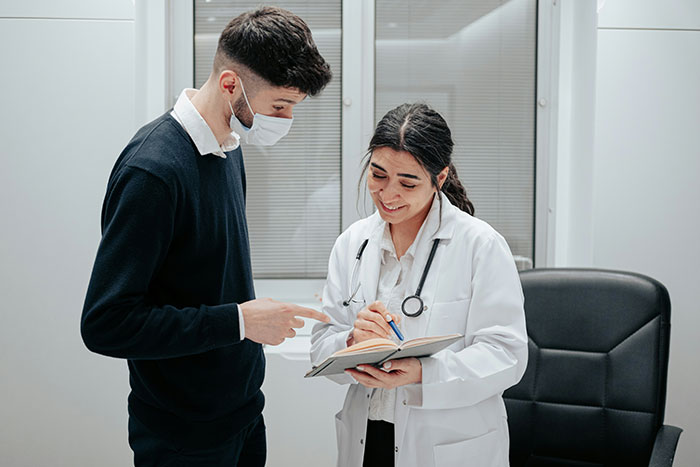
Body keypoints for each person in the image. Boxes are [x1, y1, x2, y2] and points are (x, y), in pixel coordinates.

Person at [81, 7, 332, 467]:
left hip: (241, 414)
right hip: (182, 436)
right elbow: (106, 323)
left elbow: (208, 279)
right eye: (280, 106)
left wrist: (241, 323)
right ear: (231, 84)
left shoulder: (230, 148)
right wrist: (239, 322)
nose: (287, 119)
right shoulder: (153, 171)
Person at [310, 103, 528, 467]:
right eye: (378, 175)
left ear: (439, 179)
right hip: (368, 436)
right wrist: (351, 342)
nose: (388, 194)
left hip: (446, 444)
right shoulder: (353, 244)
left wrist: (425, 374)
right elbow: (320, 348)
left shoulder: (480, 245)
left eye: (407, 182)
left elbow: (507, 354)